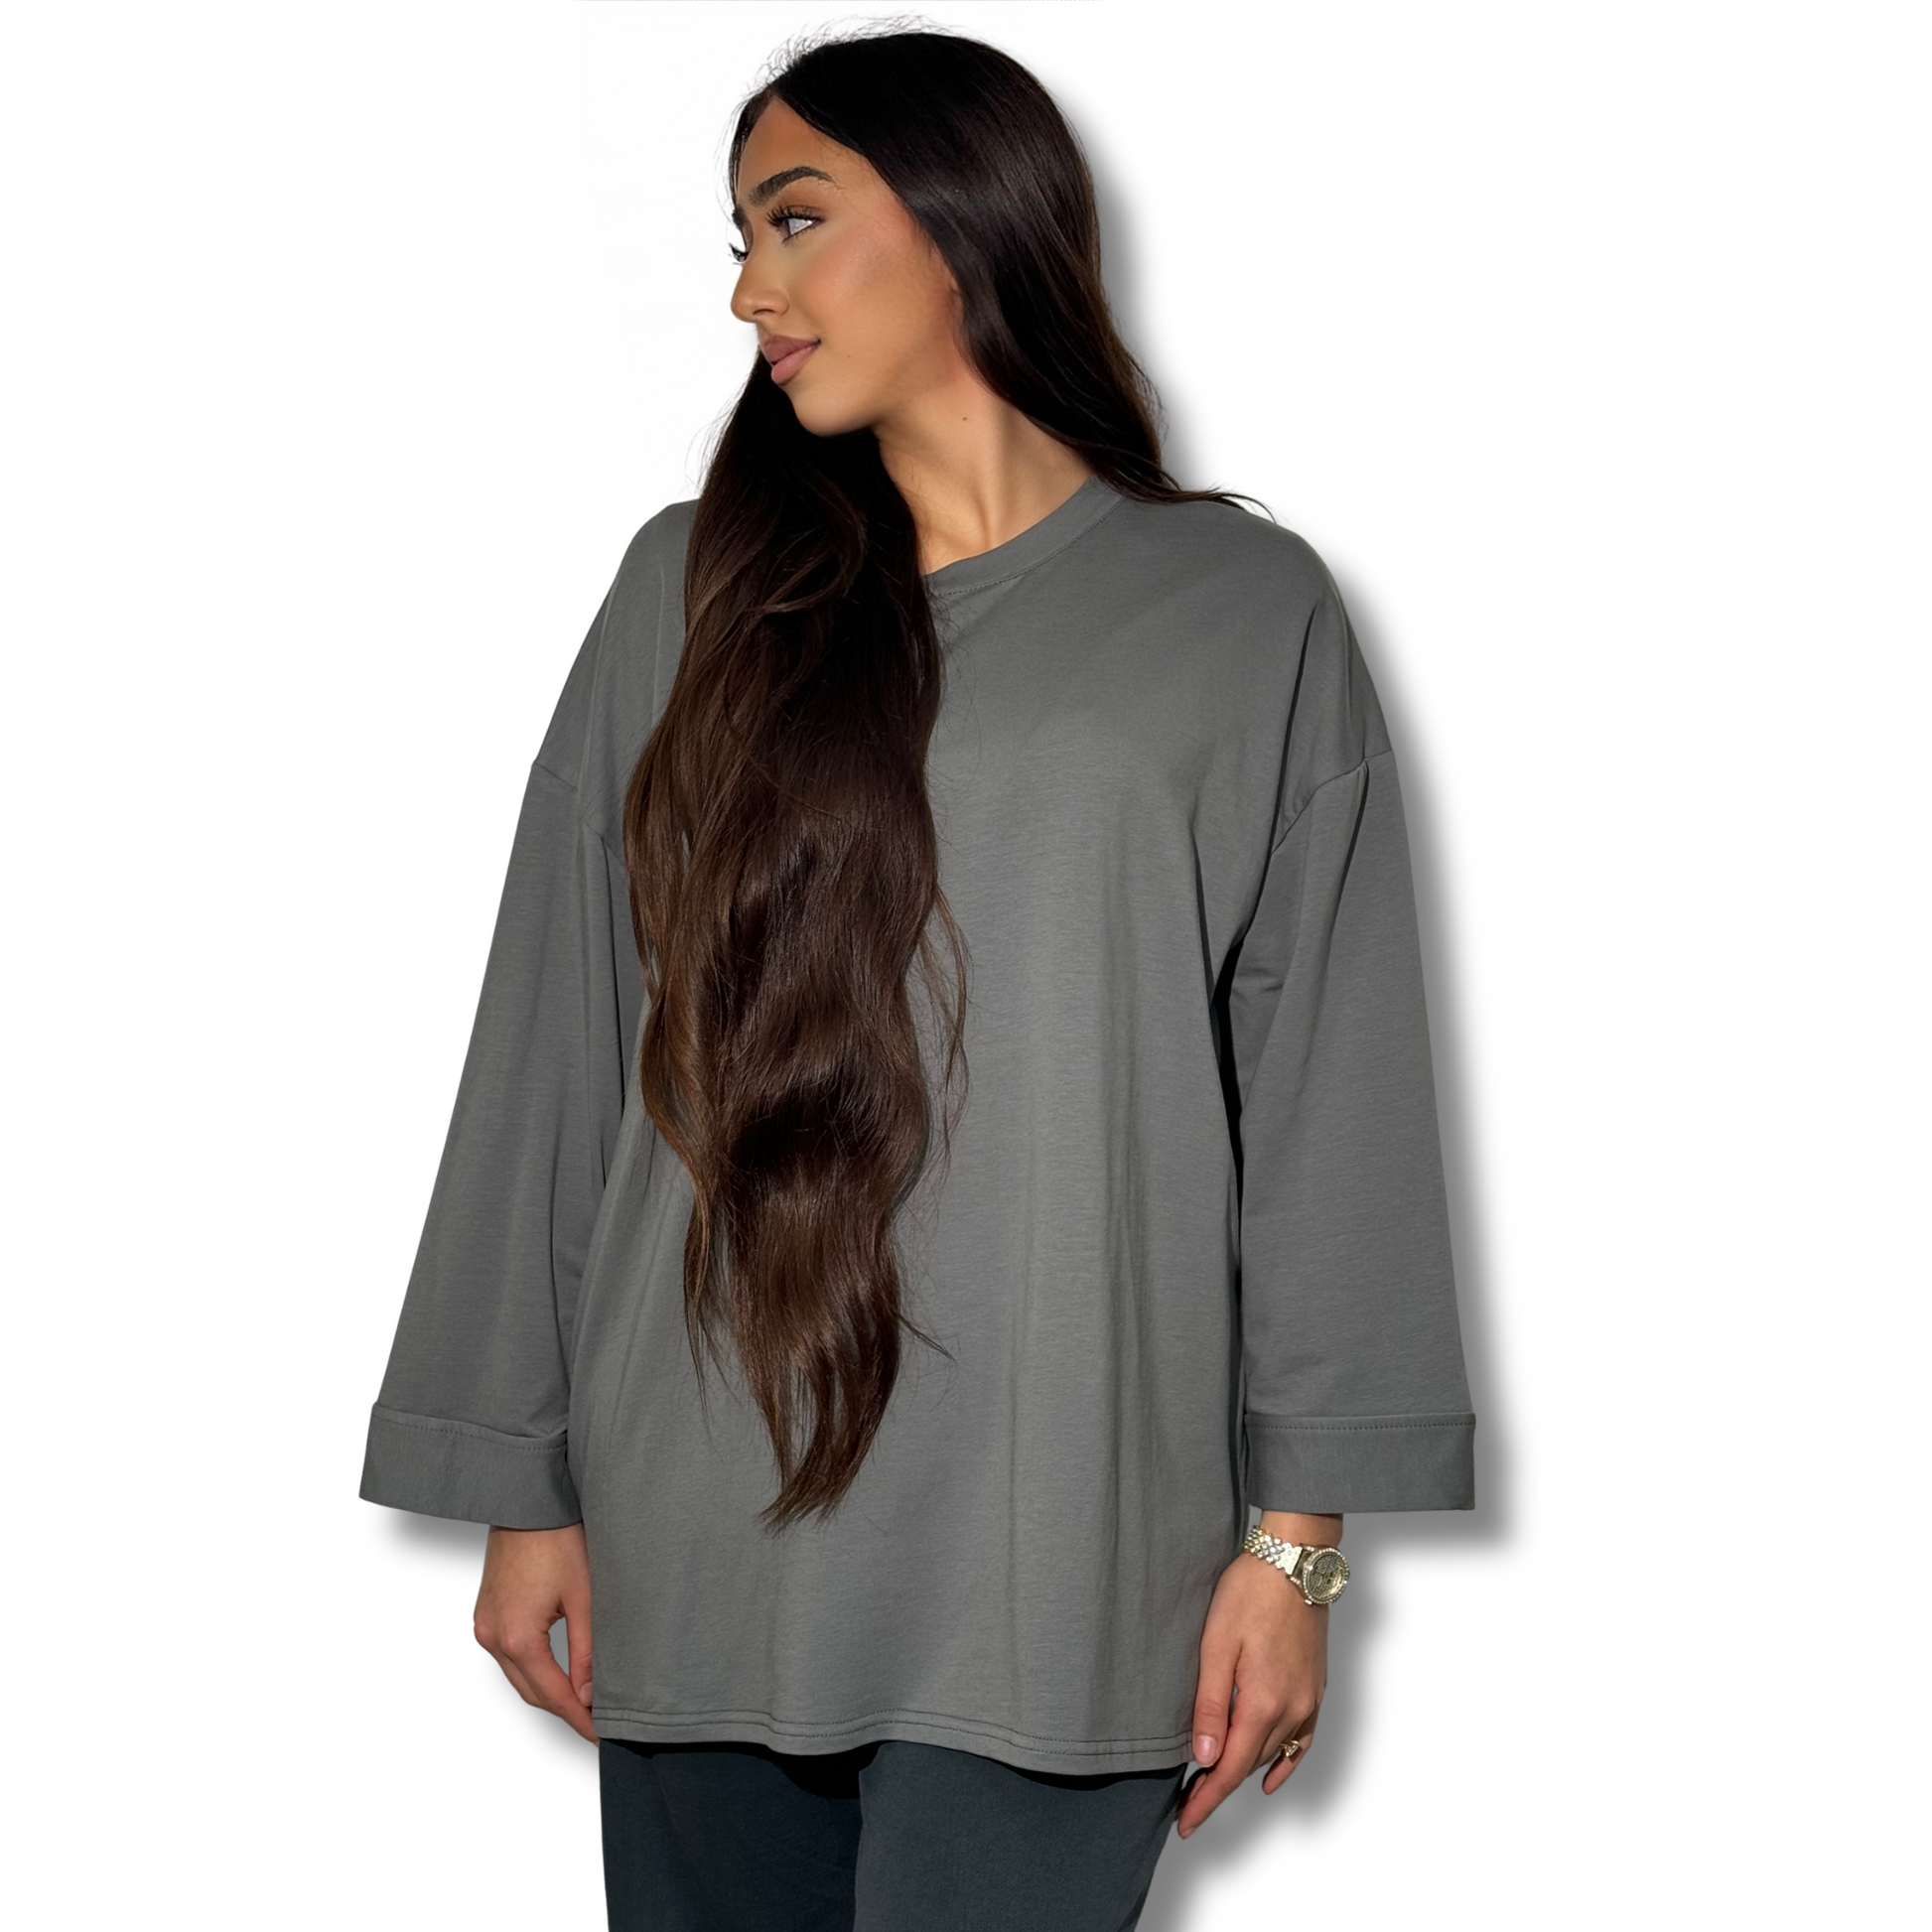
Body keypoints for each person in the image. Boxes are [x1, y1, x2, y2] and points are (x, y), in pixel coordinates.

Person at [359, 26, 1475, 1931]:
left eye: (794, 220)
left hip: (1066, 1543)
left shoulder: (1242, 615)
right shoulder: (685, 593)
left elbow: (1326, 1104)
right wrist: (516, 1478)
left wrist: (1295, 1552)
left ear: (969, 220)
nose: (750, 290)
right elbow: (555, 1034)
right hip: (698, 1512)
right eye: (738, 238)